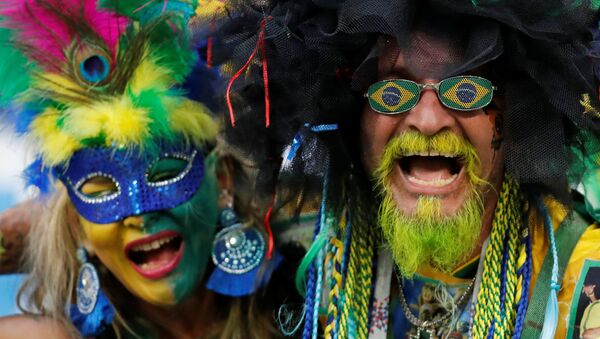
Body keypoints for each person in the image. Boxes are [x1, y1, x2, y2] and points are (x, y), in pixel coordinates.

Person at [211, 0, 600, 338]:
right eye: (393, 92)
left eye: (465, 91)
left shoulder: (579, 277)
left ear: (516, 112)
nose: (428, 121)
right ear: (354, 117)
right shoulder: (326, 257)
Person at [0, 1, 296, 338]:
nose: (140, 214)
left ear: (222, 179)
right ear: (76, 225)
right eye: (100, 191)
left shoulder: (315, 292)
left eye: (166, 172)